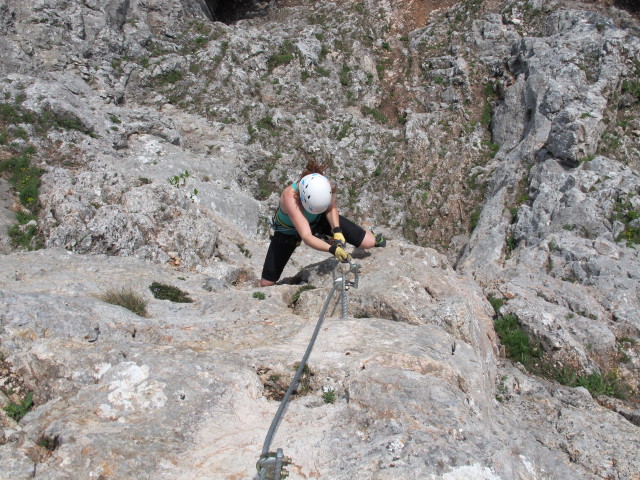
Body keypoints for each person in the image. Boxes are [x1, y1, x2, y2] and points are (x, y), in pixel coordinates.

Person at [260, 161, 386, 287]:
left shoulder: (324, 186)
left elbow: (331, 209)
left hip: (319, 219)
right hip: (288, 231)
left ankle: (370, 234)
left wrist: (337, 231)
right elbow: (307, 236)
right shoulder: (290, 197)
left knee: (369, 242)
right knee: (267, 283)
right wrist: (332, 249)